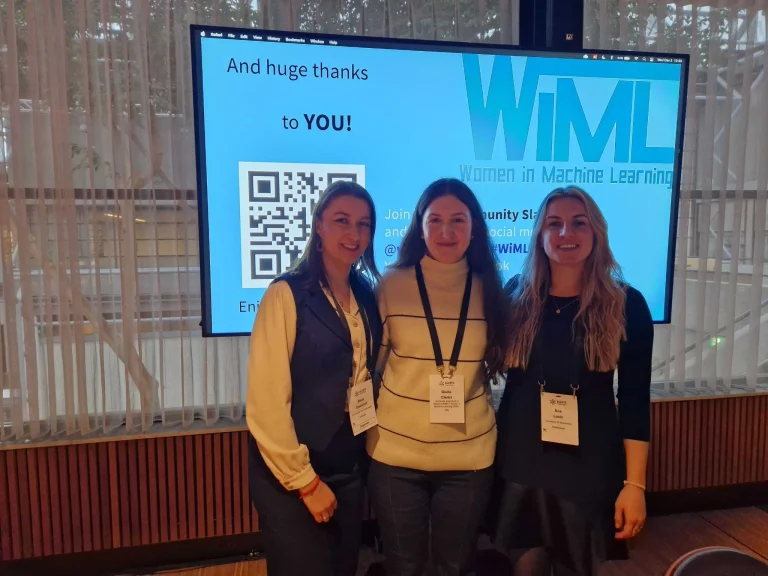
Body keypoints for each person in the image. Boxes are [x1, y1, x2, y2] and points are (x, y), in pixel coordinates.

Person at [491, 186, 654, 576]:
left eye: (579, 223)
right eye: (555, 224)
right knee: (525, 568)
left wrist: (635, 486)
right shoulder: (516, 295)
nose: (566, 233)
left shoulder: (626, 304)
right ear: (539, 235)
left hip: (588, 469)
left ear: (596, 232)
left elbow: (634, 401)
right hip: (521, 463)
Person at [367, 178, 512, 576]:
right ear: (420, 225)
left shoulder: (490, 289)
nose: (446, 232)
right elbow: (372, 367)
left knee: (456, 566)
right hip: (396, 453)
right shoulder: (392, 285)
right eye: (435, 220)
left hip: (469, 456)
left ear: (475, 226)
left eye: (458, 220)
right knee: (404, 566)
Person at [246, 180, 383, 576]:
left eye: (364, 224)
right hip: (294, 472)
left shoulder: (366, 294)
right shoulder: (286, 294)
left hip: (348, 461)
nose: (354, 233)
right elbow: (266, 403)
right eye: (342, 220)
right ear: (318, 225)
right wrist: (304, 482)